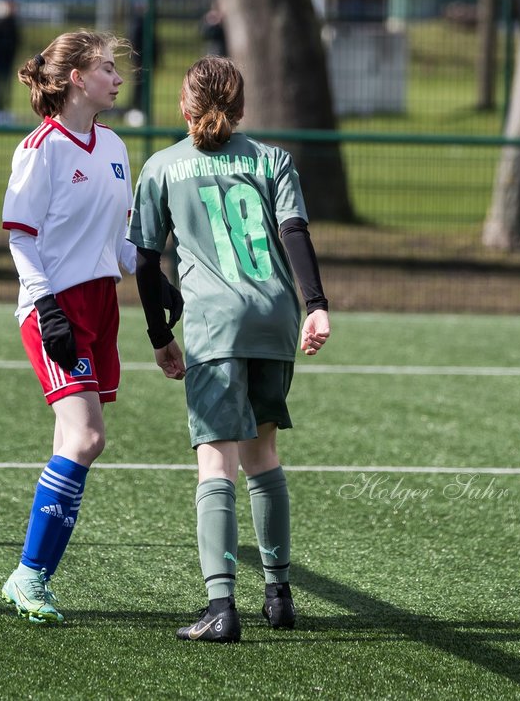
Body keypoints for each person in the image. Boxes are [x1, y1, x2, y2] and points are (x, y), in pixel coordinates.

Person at [127, 56, 331, 643]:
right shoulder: (272, 159)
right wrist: (315, 305)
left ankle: (221, 606)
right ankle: (279, 594)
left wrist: (160, 337)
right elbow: (295, 233)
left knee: (216, 464)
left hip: (215, 326)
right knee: (262, 455)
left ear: (184, 106)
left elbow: (144, 260)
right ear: (241, 108)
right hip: (274, 317)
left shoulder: (163, 166)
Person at [0, 30, 181, 624]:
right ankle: (29, 576)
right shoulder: (40, 148)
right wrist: (45, 304)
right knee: (86, 438)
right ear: (76, 78)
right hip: (55, 308)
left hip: (102, 304)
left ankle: (30, 578)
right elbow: (21, 238)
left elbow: (121, 241)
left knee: (75, 441)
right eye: (106, 68)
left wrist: (158, 283)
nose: (118, 78)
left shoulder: (115, 147)